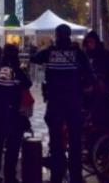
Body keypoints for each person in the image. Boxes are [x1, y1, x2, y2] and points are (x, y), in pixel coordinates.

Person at [31, 24, 92, 183]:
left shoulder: (49, 52)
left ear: (57, 36)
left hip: (55, 102)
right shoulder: (78, 53)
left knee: (56, 140)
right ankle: (75, 177)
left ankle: (57, 175)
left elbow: (34, 57)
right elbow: (89, 77)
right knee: (75, 141)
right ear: (69, 35)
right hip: (74, 102)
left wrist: (48, 46)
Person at [0, 44, 32, 183]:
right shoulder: (16, 71)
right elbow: (27, 84)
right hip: (13, 114)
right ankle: (10, 176)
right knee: (12, 148)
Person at [82, 31, 109, 129]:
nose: (89, 45)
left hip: (103, 94)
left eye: (91, 42)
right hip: (88, 95)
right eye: (88, 42)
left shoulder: (106, 55)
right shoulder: (85, 55)